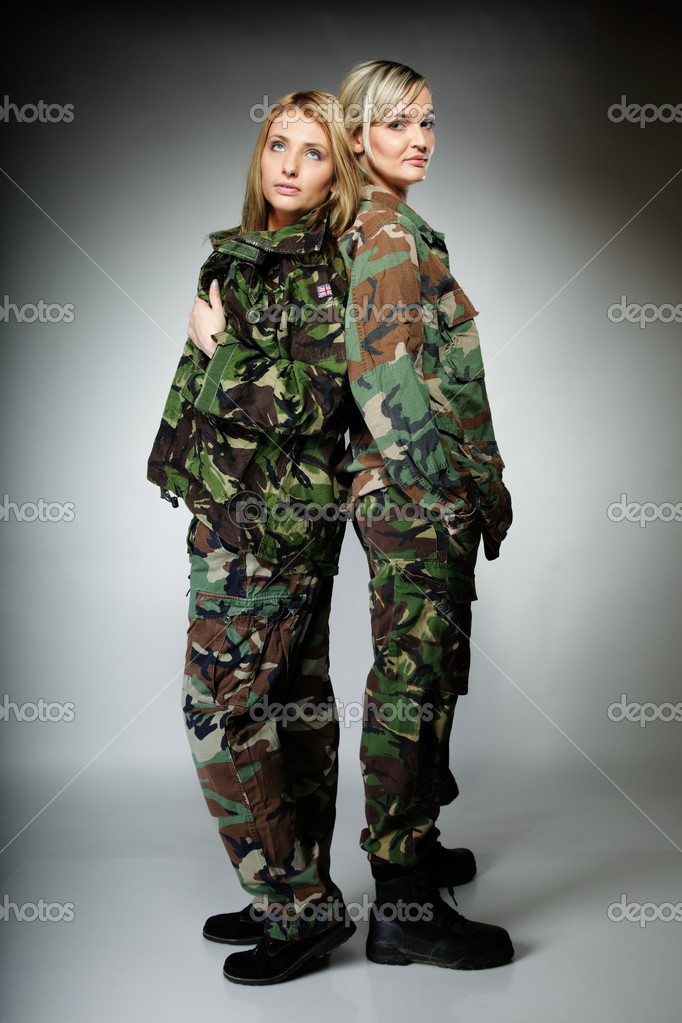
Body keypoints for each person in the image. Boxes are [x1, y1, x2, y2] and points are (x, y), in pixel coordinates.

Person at [147, 90, 364, 985]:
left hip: (274, 524)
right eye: (279, 144)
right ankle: (291, 883)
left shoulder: (328, 266)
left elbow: (318, 402)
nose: (289, 165)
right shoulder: (244, 256)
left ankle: (295, 903)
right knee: (293, 703)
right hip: (235, 516)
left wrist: (221, 343)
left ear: (338, 173)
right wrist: (179, 476)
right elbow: (202, 388)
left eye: (314, 153)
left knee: (224, 709)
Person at [336, 60, 515, 969]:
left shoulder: (402, 227)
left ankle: (416, 844)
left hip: (426, 491)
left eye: (430, 123)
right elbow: (383, 379)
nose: (420, 139)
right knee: (411, 685)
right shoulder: (386, 235)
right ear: (359, 133)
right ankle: (400, 900)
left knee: (432, 671)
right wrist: (443, 488)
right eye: (399, 123)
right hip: (414, 497)